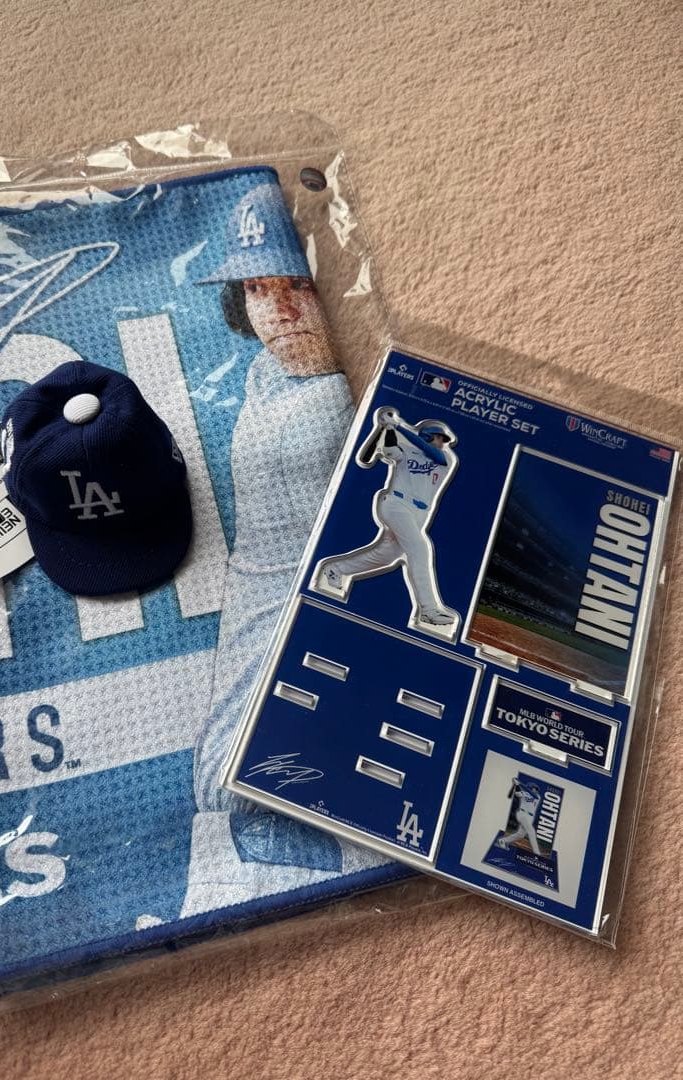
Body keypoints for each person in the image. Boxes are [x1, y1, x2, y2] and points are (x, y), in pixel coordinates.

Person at [181, 184, 382, 917]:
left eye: (298, 286)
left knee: (253, 778)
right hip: (258, 596)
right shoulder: (265, 374)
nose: (282, 311)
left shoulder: (335, 401)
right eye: (259, 291)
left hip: (325, 601)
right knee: (220, 784)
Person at [313, 406, 459, 631]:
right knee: (420, 549)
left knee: (386, 556)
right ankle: (428, 611)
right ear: (428, 436)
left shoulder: (446, 458)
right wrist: (389, 428)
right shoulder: (406, 450)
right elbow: (390, 449)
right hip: (395, 505)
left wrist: (398, 425)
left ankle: (336, 569)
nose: (443, 442)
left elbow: (433, 454)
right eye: (439, 438)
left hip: (419, 514)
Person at [497, 780, 542, 854]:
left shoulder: (538, 797)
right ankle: (537, 853)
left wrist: (520, 784)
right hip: (522, 814)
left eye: (536, 789)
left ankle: (503, 841)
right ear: (530, 787)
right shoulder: (523, 793)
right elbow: (513, 794)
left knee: (521, 835)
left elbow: (533, 794)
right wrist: (516, 785)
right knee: (531, 832)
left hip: (530, 817)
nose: (536, 790)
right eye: (535, 788)